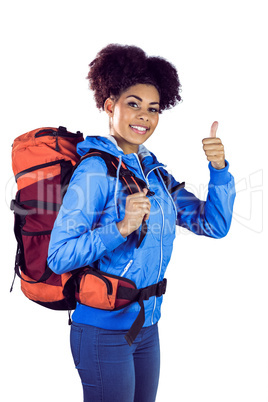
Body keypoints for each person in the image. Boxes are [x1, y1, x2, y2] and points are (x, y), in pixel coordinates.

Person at [47, 44, 236, 402]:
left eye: (153, 109)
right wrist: (119, 228)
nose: (144, 117)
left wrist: (219, 171)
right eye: (133, 104)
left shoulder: (154, 171)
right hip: (103, 330)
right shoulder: (94, 171)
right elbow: (59, 257)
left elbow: (213, 224)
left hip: (147, 326)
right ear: (109, 106)